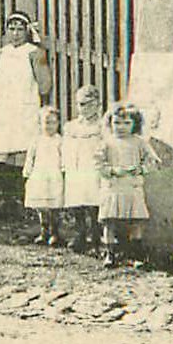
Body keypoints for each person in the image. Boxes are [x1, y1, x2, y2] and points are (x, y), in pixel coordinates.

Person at [0, 12, 52, 218]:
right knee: (1, 154)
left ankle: (21, 203)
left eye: (20, 29)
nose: (15, 34)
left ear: (27, 31)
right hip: (4, 110)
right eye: (11, 29)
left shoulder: (34, 53)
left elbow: (44, 86)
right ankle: (3, 202)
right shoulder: (2, 53)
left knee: (21, 155)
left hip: (25, 109)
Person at [96, 101, 162, 268]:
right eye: (117, 122)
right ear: (110, 123)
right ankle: (110, 253)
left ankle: (136, 254)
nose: (122, 127)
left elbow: (152, 161)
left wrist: (140, 169)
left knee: (136, 220)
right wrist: (112, 171)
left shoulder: (139, 142)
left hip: (132, 187)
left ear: (135, 124)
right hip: (113, 187)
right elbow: (97, 163)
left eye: (127, 123)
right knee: (109, 221)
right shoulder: (107, 143)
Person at [62, 84, 104, 252]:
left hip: (93, 168)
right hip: (76, 167)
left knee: (94, 203)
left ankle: (95, 236)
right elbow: (66, 147)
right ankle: (79, 235)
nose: (84, 108)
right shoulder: (72, 126)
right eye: (81, 104)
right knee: (77, 202)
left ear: (97, 105)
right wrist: (66, 165)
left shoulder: (101, 126)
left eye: (88, 104)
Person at [23, 106, 64, 246]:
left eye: (53, 122)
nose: (49, 126)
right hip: (39, 175)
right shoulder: (36, 140)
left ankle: (55, 232)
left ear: (58, 123)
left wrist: (64, 170)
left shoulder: (60, 140)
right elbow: (31, 157)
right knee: (41, 206)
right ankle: (43, 230)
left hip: (54, 175)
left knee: (54, 206)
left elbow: (64, 157)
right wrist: (28, 170)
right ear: (40, 124)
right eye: (46, 122)